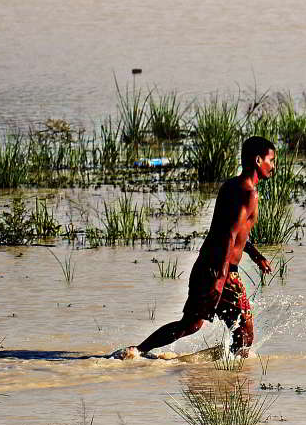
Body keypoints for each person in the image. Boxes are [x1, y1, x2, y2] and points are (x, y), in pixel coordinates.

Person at [112, 136, 276, 359]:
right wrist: (220, 278)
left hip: (207, 265)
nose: (273, 166)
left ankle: (136, 351)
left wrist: (254, 253)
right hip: (223, 271)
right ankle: (234, 379)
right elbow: (229, 235)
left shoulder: (229, 186)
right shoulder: (249, 194)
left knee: (190, 325)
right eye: (271, 160)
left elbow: (229, 232)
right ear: (258, 160)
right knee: (245, 335)